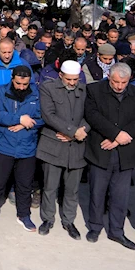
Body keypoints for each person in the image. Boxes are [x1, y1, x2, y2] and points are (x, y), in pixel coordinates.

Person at [84, 63, 135, 249]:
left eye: (123, 82)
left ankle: (117, 231)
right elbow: (92, 115)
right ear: (109, 77)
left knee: (120, 196)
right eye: (115, 82)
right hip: (100, 149)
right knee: (97, 192)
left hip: (125, 152)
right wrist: (115, 134)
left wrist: (121, 138)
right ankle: (95, 227)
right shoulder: (94, 90)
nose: (119, 86)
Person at [0, 66, 42, 232]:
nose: (21, 87)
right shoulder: (1, 91)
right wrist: (19, 119)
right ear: (12, 79)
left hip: (27, 146)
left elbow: (42, 117)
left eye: (25, 84)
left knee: (25, 184)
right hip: (4, 144)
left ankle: (24, 215)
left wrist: (25, 125)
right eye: (18, 83)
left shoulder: (36, 94)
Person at [36, 60, 89, 240]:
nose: (72, 83)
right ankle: (48, 219)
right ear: (61, 76)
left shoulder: (85, 91)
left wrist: (79, 133)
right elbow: (48, 115)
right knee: (50, 186)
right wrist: (72, 131)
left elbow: (90, 115)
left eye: (75, 79)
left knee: (72, 189)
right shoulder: (48, 88)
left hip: (77, 147)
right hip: (54, 144)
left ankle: (69, 220)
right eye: (69, 79)